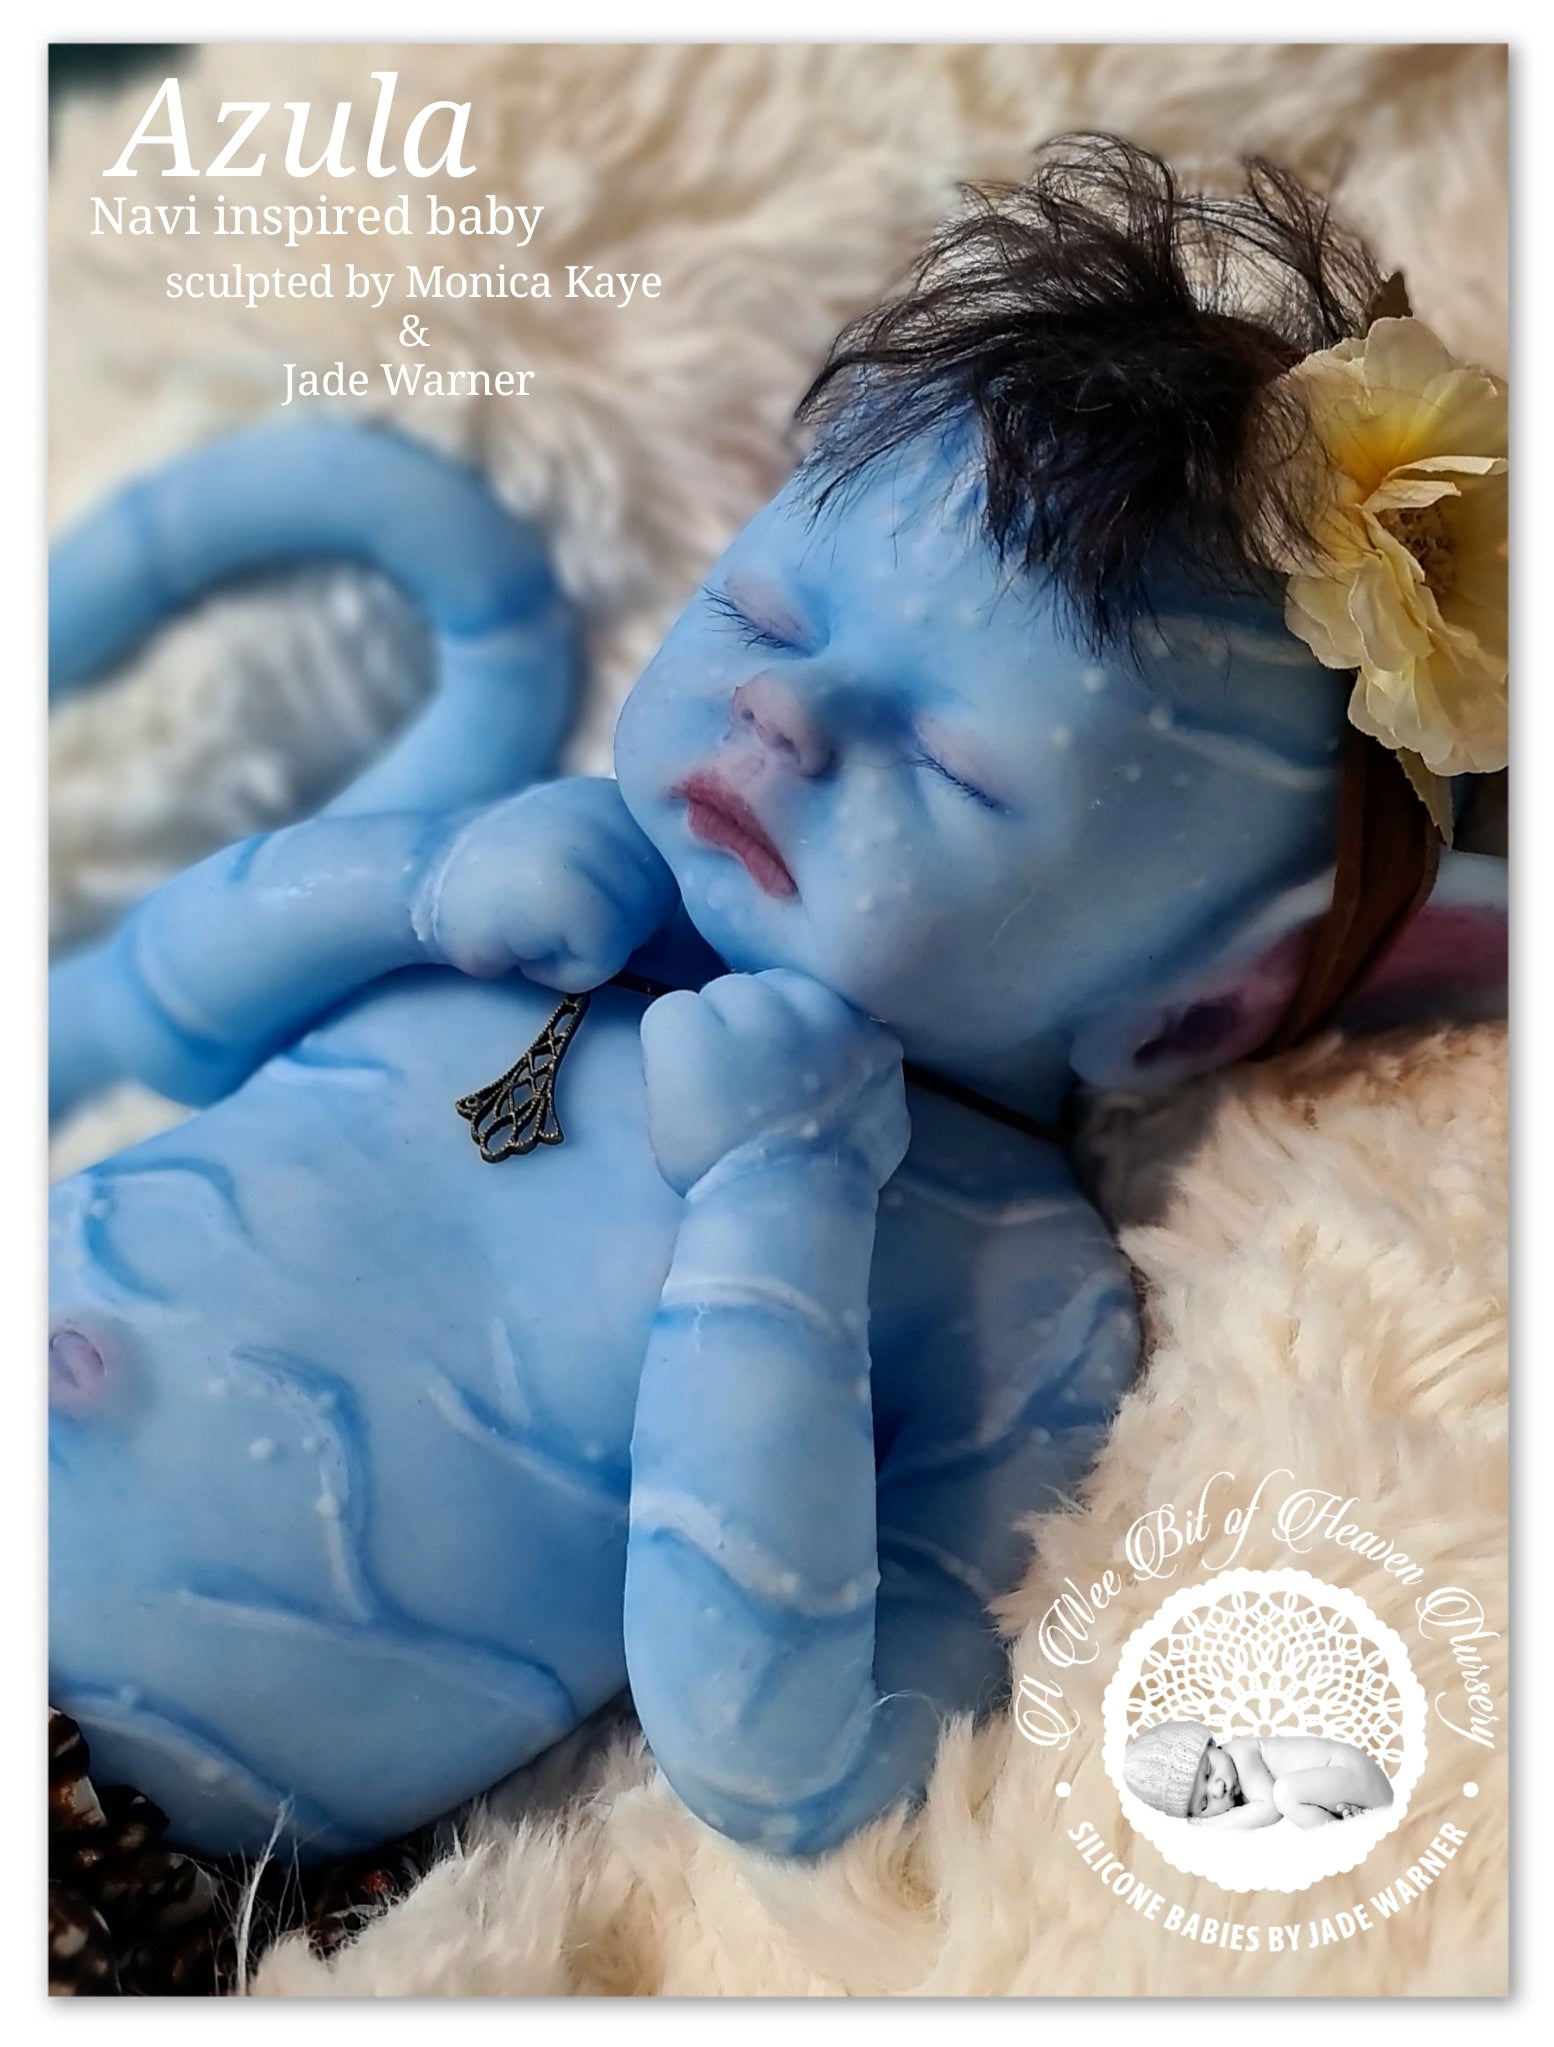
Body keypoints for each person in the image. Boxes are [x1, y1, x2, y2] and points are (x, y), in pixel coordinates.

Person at [47, 139, 1504, 1863]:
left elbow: (794, 1762)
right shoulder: (532, 891)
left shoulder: (1001, 1283)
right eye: (758, 613)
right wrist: (410, 880)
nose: (784, 712)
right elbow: (159, 1015)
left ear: (1188, 1011)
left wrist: (779, 1206)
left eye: (951, 768)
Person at [1123, 1719, 1395, 1830]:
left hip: (1351, 1769)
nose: (1217, 1789)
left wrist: (1211, 1824)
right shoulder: (1232, 1782)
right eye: (1204, 1803)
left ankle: (1343, 1836)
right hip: (1348, 1790)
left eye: (1208, 1772)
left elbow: (1269, 1809)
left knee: (1284, 1794)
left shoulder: (1241, 1754)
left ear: (1211, 1744)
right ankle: (1352, 1825)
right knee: (1289, 1794)